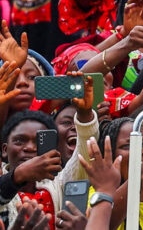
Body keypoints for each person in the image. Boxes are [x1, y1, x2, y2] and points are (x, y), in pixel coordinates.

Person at [0, 79, 98, 229]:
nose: (30, 148)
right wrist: (18, 175)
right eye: (20, 141)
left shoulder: (58, 184)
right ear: (5, 149)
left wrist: (85, 115)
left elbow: (84, 156)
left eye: (38, 141)